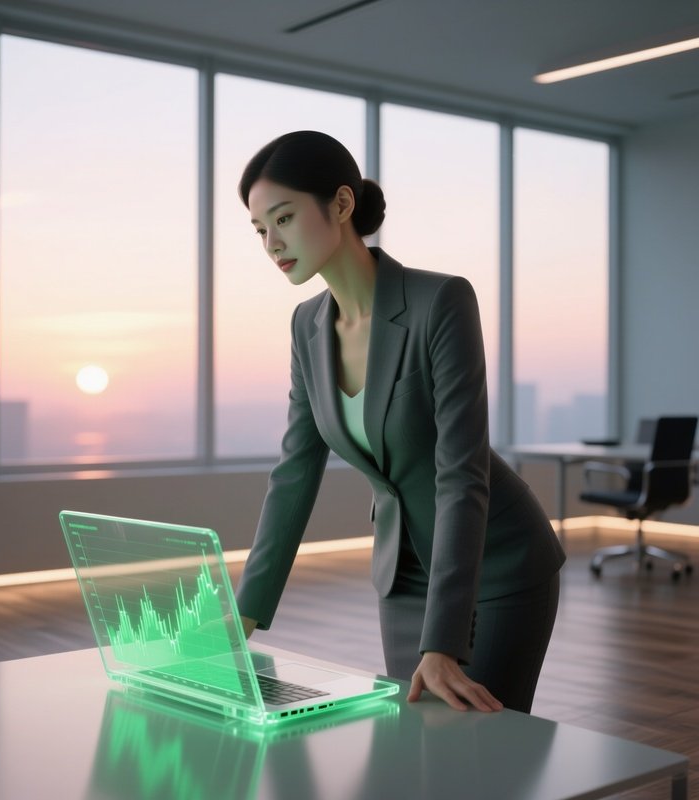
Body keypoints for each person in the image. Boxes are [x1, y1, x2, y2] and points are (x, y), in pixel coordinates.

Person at [234, 130, 565, 714]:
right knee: (415, 749)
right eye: (260, 229)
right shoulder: (306, 327)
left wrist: (443, 642)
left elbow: (461, 473)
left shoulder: (441, 302)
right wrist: (243, 615)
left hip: (495, 565)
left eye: (283, 218)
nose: (271, 242)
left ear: (340, 205)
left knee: (479, 755)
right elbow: (295, 472)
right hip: (404, 575)